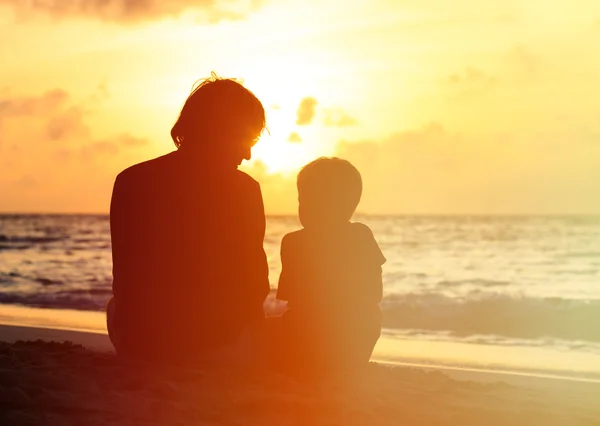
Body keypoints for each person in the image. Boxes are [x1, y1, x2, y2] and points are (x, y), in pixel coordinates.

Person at [106, 74, 270, 366]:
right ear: (219, 132)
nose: (247, 154)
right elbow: (255, 285)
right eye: (246, 139)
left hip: (141, 343)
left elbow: (125, 283)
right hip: (217, 345)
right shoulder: (245, 190)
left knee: (114, 307)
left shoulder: (131, 180)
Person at [274, 157, 386, 375]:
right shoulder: (362, 235)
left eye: (306, 200)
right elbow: (375, 293)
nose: (303, 207)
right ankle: (347, 363)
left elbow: (290, 296)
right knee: (372, 314)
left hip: (308, 333)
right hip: (355, 338)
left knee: (279, 325)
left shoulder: (293, 242)